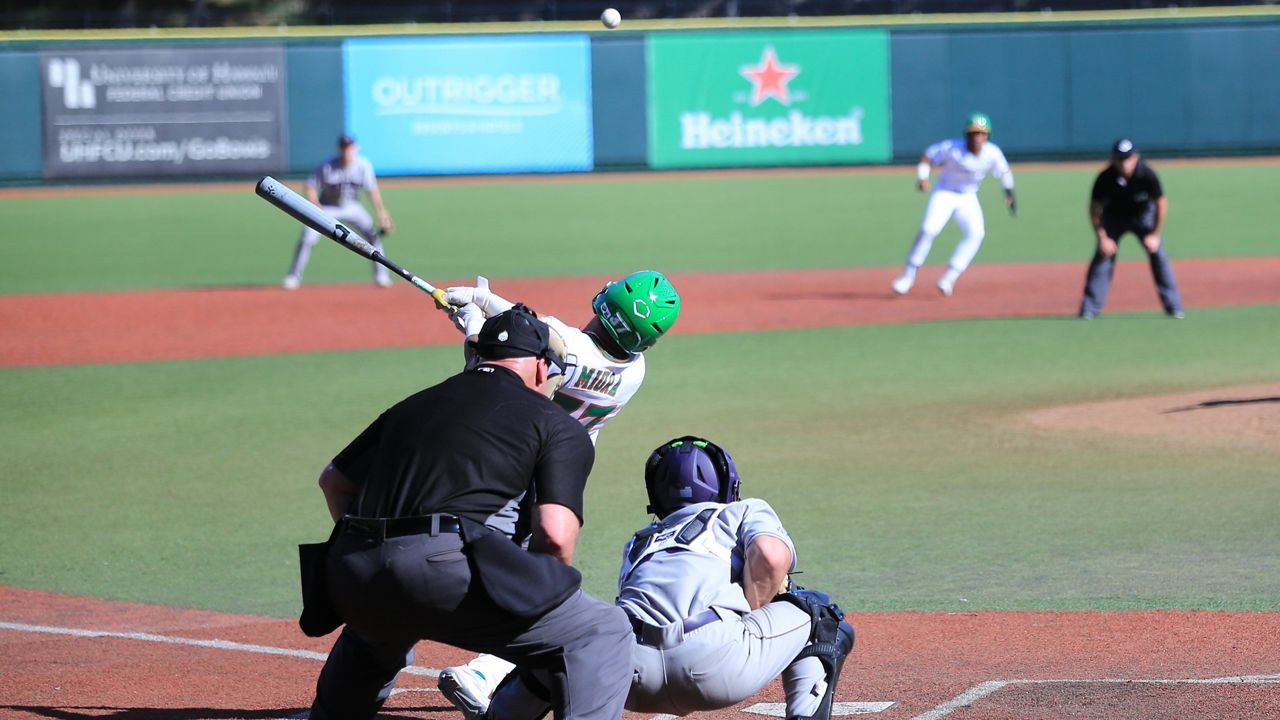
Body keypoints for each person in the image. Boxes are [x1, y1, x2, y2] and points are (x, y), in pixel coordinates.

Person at [306, 304, 633, 720]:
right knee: (602, 630)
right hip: (444, 573)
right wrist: (534, 591)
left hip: (350, 570)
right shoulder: (557, 424)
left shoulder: (412, 405)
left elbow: (333, 481)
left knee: (379, 628)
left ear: (478, 356)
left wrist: (377, 550)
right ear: (538, 369)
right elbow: (555, 535)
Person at [435, 271, 681, 713]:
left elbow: (493, 371)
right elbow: (541, 335)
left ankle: (483, 671)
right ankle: (492, 671)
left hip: (513, 464)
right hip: (561, 478)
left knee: (484, 565)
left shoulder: (567, 343)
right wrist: (488, 308)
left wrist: (475, 320)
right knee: (531, 572)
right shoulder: (633, 372)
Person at [482, 436, 856, 720]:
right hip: (716, 667)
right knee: (820, 613)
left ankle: (499, 714)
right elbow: (772, 558)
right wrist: (752, 608)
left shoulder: (639, 542)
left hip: (628, 678)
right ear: (728, 485)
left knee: (567, 645)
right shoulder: (742, 511)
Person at [892, 113, 1016, 297]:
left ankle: (950, 277)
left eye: (981, 134)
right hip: (944, 193)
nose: (977, 138)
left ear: (987, 136)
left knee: (976, 234)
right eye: (973, 133)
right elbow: (928, 156)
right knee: (928, 230)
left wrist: (1009, 194)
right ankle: (908, 276)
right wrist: (922, 177)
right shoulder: (952, 148)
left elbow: (1004, 172)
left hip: (968, 196)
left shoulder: (992, 153)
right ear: (966, 134)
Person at [1078, 139, 1184, 320]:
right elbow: (1094, 209)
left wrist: (1155, 235)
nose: (1124, 163)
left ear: (1135, 157)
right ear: (1113, 159)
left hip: (1143, 216)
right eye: (1120, 159)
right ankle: (1089, 308)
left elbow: (1161, 204)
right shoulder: (1105, 177)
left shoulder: (1147, 174)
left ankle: (1174, 306)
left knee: (1158, 253)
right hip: (1113, 217)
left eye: (1128, 158)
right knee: (1103, 255)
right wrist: (1102, 237)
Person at [283, 134, 395, 289]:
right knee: (307, 238)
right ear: (339, 149)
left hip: (352, 207)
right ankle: (293, 276)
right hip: (327, 207)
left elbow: (372, 190)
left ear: (355, 148)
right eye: (344, 147)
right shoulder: (327, 165)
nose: (347, 151)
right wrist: (316, 205)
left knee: (373, 236)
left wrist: (382, 212)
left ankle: (381, 275)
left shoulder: (363, 165)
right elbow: (310, 186)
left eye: (349, 147)